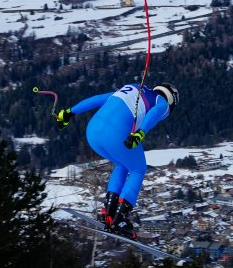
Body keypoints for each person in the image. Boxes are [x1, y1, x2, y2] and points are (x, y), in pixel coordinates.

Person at [55, 82, 178, 238]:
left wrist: (69, 112)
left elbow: (97, 99)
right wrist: (140, 133)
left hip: (93, 131)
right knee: (138, 169)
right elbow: (156, 112)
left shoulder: (132, 88)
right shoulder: (162, 102)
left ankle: (109, 210)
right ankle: (120, 218)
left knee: (122, 164)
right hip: (116, 134)